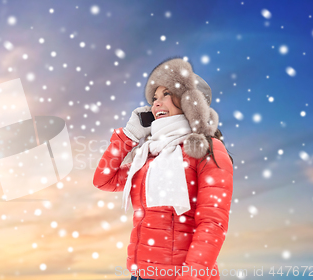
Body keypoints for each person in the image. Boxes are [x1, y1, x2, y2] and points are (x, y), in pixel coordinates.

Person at [93, 56, 234, 280]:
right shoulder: (149, 158)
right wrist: (129, 135)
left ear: (189, 101)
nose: (156, 103)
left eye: (166, 94)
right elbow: (103, 180)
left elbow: (212, 223)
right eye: (154, 97)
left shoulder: (207, 150)